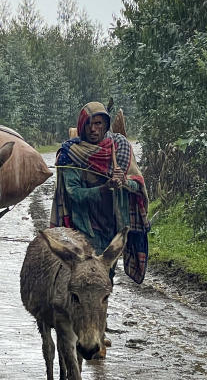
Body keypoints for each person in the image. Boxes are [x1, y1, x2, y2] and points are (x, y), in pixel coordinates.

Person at [50, 101, 150, 283]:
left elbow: (138, 185)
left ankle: (99, 311)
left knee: (106, 278)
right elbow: (74, 193)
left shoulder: (120, 148)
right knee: (85, 276)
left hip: (113, 227)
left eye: (98, 124)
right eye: (88, 124)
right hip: (83, 229)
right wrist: (105, 188)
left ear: (105, 125)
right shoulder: (71, 153)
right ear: (82, 127)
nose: (93, 129)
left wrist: (123, 182)